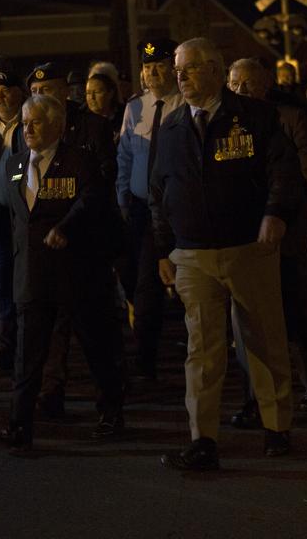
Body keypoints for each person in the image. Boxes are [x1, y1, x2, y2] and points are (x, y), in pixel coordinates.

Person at [151, 38, 299, 470]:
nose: (181, 76)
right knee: (202, 350)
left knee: (263, 338)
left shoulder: (254, 116)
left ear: (215, 70)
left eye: (190, 68)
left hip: (247, 249)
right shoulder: (173, 126)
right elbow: (158, 193)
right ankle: (203, 438)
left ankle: (276, 425)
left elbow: (282, 170)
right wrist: (164, 247)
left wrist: (275, 213)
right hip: (193, 255)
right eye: (178, 69)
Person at [0, 94, 127, 454]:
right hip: (31, 274)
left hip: (75, 273)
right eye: (25, 122)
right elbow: (14, 213)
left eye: (35, 122)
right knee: (27, 356)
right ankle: (19, 424)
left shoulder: (79, 161)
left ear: (56, 125)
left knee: (96, 346)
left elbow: (92, 199)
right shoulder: (15, 164)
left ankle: (111, 412)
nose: (28, 129)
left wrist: (68, 227)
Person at [226, 58, 307, 423]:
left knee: (298, 310)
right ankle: (255, 397)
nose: (240, 91)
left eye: (248, 84)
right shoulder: (227, 123)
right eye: (234, 84)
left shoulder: (290, 118)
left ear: (265, 84)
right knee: (247, 322)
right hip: (244, 235)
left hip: (289, 231)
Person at [27, 60, 118, 418]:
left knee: (95, 331)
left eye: (47, 90)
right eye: (34, 92)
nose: (40, 97)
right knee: (52, 329)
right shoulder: (29, 139)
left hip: (86, 243)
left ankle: (110, 403)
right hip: (48, 250)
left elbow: (102, 181)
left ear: (65, 92)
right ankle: (51, 392)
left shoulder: (91, 127)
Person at [115, 39, 183, 380]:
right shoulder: (136, 107)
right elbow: (125, 155)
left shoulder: (184, 105)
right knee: (138, 280)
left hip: (177, 208)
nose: (152, 72)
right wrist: (123, 197)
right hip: (142, 209)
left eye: (158, 65)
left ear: (173, 67)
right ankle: (146, 353)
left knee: (167, 281)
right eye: (146, 67)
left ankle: (160, 353)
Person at [0, 56, 27, 370]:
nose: (0, 96)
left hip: (25, 216)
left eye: (6, 89)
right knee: (0, 282)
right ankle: (2, 345)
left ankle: (26, 343)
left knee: (26, 283)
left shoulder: (30, 123)